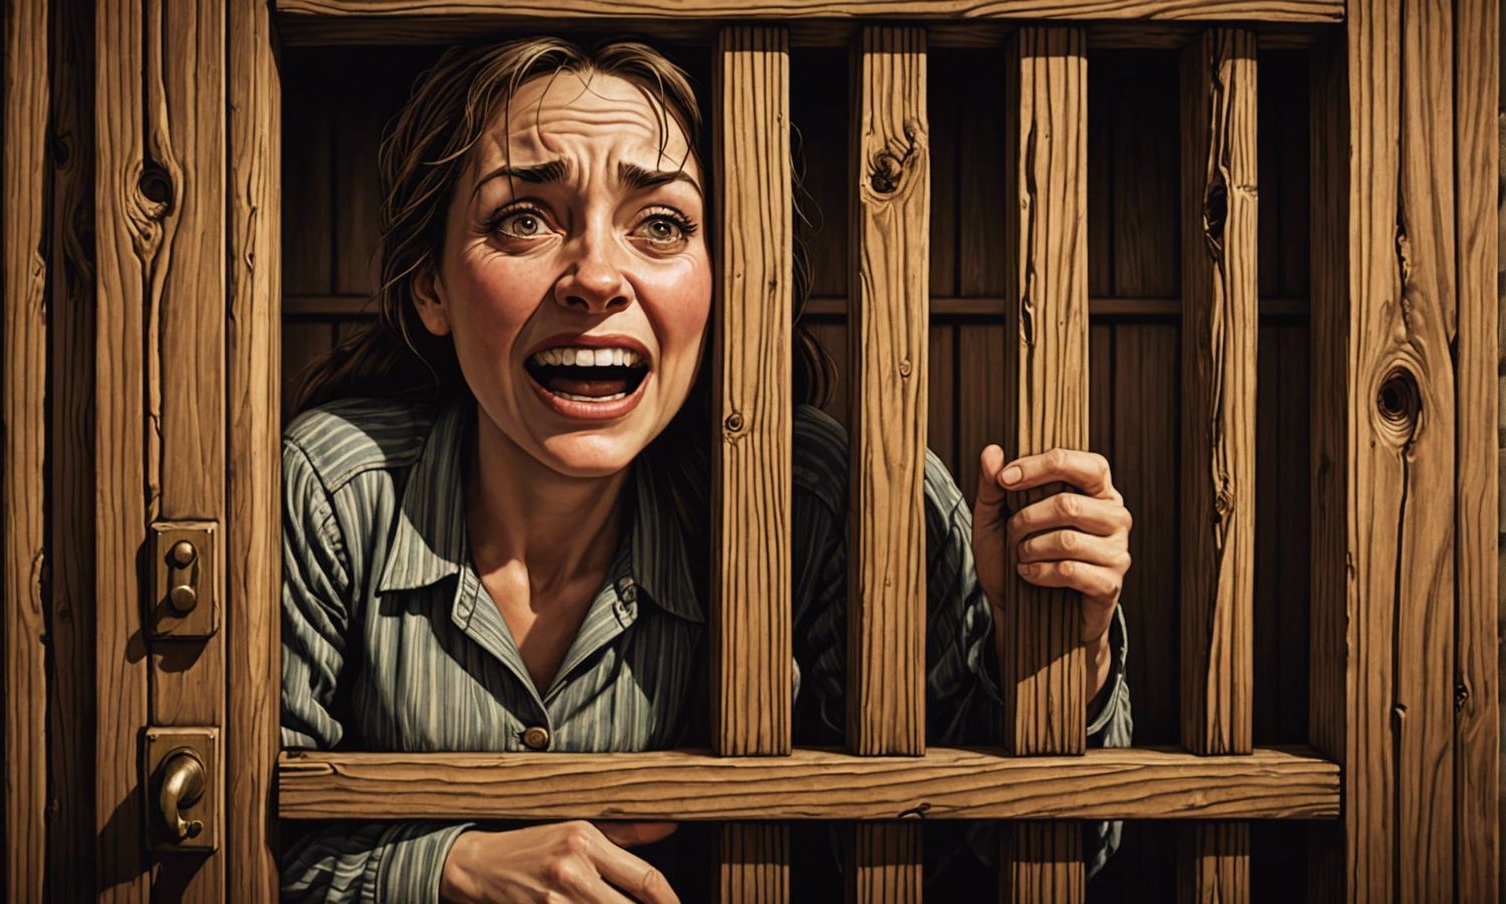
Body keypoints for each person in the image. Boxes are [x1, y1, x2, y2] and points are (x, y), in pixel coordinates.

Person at [279, 37, 1134, 903]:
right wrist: (446, 870)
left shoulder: (828, 501)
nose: (596, 277)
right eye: (524, 218)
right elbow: (223, 844)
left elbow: (997, 865)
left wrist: (1065, 645)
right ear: (430, 284)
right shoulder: (336, 492)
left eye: (661, 225)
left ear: (731, 282)